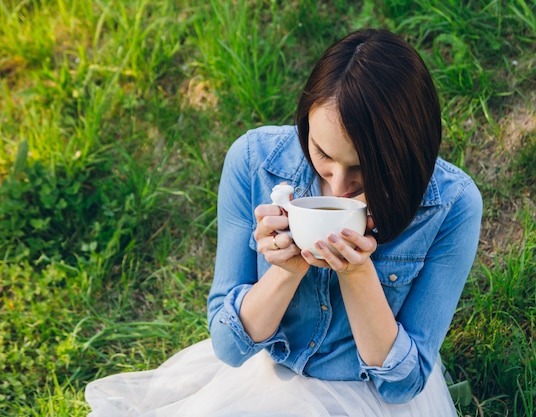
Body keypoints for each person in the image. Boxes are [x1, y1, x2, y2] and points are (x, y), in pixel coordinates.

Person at [85, 28, 482, 417]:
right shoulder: (255, 161)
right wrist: (285, 271)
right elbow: (229, 346)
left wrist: (358, 275)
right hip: (270, 378)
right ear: (306, 122)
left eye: (362, 168)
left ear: (406, 154)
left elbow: (401, 386)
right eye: (322, 153)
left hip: (365, 396)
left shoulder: (451, 205)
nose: (338, 185)